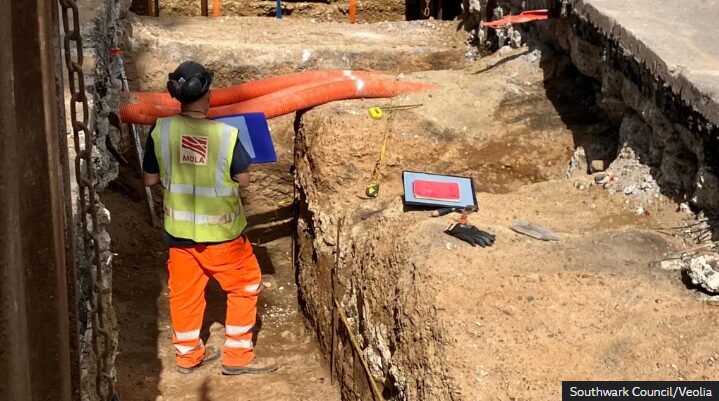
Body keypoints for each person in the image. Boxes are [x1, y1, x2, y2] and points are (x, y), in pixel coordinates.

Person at [142, 60, 278, 375]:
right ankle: (238, 357)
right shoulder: (227, 135)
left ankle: (188, 357)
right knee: (245, 285)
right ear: (208, 94)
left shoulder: (160, 130)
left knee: (185, 295)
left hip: (179, 236)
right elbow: (244, 181)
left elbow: (149, 180)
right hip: (224, 237)